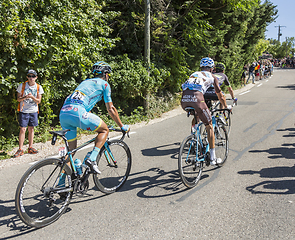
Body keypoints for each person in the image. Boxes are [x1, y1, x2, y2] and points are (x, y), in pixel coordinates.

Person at [59, 61, 130, 176]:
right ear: (106, 74)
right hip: (78, 112)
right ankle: (92, 159)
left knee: (71, 151)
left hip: (64, 113)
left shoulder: (85, 82)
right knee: (104, 130)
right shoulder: (104, 84)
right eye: (108, 75)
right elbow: (111, 109)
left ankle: (61, 183)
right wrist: (122, 126)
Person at [181, 57, 231, 166]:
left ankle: (193, 137)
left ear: (200, 67)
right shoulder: (213, 77)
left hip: (184, 100)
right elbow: (220, 95)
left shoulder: (194, 74)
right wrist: (226, 107)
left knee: (197, 117)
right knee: (209, 127)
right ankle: (213, 158)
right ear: (212, 68)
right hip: (197, 100)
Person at [14, 69, 44, 158]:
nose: (31, 78)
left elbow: (38, 101)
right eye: (30, 76)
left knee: (31, 129)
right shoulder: (22, 86)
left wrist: (32, 97)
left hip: (33, 111)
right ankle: (20, 149)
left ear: (36, 77)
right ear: (27, 77)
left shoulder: (39, 87)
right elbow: (18, 99)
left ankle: (30, 147)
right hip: (24, 110)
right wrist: (25, 97)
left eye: (33, 76)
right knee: (23, 129)